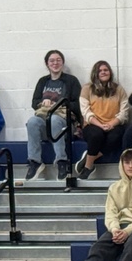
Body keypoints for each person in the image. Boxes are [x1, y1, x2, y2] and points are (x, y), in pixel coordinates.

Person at [65, 148, 132, 261]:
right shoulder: (114, 188)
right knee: (100, 245)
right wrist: (115, 229)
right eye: (127, 162)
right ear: (121, 165)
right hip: (119, 227)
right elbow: (110, 213)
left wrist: (127, 231)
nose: (130, 166)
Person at [25, 50, 83, 181]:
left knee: (55, 120)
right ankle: (35, 162)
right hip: (45, 119)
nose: (55, 63)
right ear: (47, 64)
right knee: (32, 122)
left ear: (62, 63)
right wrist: (43, 103)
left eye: (58, 60)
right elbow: (34, 103)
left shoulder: (71, 81)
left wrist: (59, 105)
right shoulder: (42, 81)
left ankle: (62, 162)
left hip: (65, 123)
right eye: (52, 60)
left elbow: (78, 104)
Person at [76, 60, 129, 180]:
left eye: (106, 70)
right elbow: (85, 112)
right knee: (96, 135)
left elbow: (124, 113)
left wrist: (111, 124)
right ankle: (88, 167)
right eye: (100, 71)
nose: (103, 72)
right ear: (95, 73)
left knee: (116, 137)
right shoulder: (87, 88)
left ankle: (90, 158)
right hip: (92, 124)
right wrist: (100, 125)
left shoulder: (119, 89)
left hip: (114, 124)